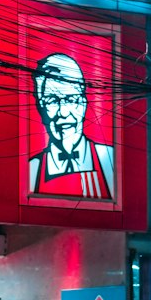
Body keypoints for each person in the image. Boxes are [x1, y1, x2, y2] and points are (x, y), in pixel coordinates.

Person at [28, 53, 114, 200]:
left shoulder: (109, 160)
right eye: (52, 101)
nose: (63, 112)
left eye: (71, 99)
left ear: (83, 104)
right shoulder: (32, 170)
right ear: (41, 108)